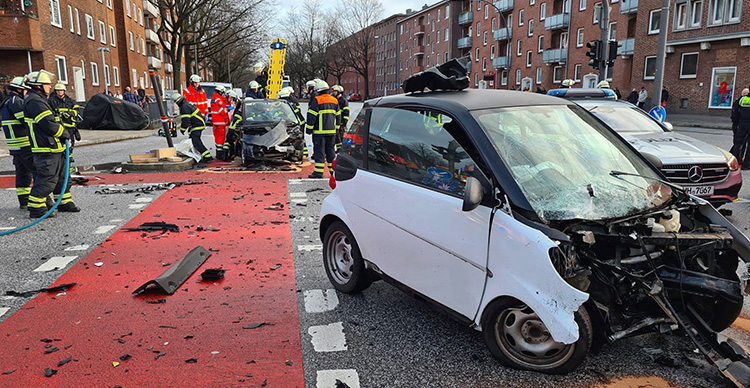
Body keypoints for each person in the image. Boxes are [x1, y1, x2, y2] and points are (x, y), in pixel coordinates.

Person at [24, 70, 80, 218]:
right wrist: (65, 133)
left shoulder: (40, 99)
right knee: (48, 178)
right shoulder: (35, 101)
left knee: (62, 176)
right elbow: (48, 124)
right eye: (47, 84)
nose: (50, 87)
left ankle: (63, 202)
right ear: (38, 86)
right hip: (46, 147)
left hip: (54, 146)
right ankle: (36, 208)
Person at [1, 76, 35, 209]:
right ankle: (41, 201)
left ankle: (24, 201)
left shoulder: (7, 102)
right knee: (37, 171)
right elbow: (26, 121)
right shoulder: (17, 102)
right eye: (26, 90)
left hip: (15, 146)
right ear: (20, 89)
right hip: (23, 144)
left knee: (23, 173)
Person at [306, 80, 340, 178]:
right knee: (330, 153)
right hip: (332, 133)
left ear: (318, 90)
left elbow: (312, 116)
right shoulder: (334, 100)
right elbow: (338, 116)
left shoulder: (317, 100)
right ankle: (333, 173)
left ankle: (318, 172)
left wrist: (309, 129)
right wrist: (336, 129)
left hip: (319, 133)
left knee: (319, 152)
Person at [48, 83, 80, 174]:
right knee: (60, 144)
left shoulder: (70, 101)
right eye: (58, 90)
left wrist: (71, 113)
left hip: (70, 127)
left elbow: (77, 110)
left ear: (64, 91)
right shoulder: (52, 101)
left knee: (70, 144)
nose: (60, 92)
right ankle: (63, 161)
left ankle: (69, 161)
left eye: (61, 90)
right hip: (59, 127)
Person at [173, 93, 212, 163]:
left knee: (196, 141)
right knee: (193, 140)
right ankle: (198, 155)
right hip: (197, 124)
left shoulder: (184, 107)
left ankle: (207, 156)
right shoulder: (186, 104)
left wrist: (182, 129)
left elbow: (186, 120)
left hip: (197, 125)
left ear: (178, 101)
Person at [210, 85, 230, 160]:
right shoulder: (218, 100)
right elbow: (221, 111)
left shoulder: (215, 99)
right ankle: (220, 155)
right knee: (220, 139)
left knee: (218, 139)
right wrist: (228, 109)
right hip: (220, 122)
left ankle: (219, 154)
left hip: (216, 123)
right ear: (220, 92)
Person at [733, 90, 750, 169]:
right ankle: (746, 164)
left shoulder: (742, 99)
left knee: (738, 143)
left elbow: (735, 111)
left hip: (742, 124)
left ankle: (736, 162)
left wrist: (736, 123)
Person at [223, 90, 241, 159]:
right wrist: (226, 108)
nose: (231, 99)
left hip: (229, 125)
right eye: (231, 98)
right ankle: (225, 155)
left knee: (228, 140)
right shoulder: (222, 102)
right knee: (228, 140)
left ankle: (228, 155)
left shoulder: (232, 105)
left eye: (232, 98)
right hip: (229, 126)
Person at [330, 85, 349, 151]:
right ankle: (338, 149)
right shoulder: (335, 100)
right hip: (335, 122)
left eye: (335, 91)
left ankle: (340, 150)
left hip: (341, 122)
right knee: (335, 137)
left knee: (339, 137)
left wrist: (344, 123)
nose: (334, 93)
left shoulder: (343, 101)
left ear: (339, 92)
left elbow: (346, 113)